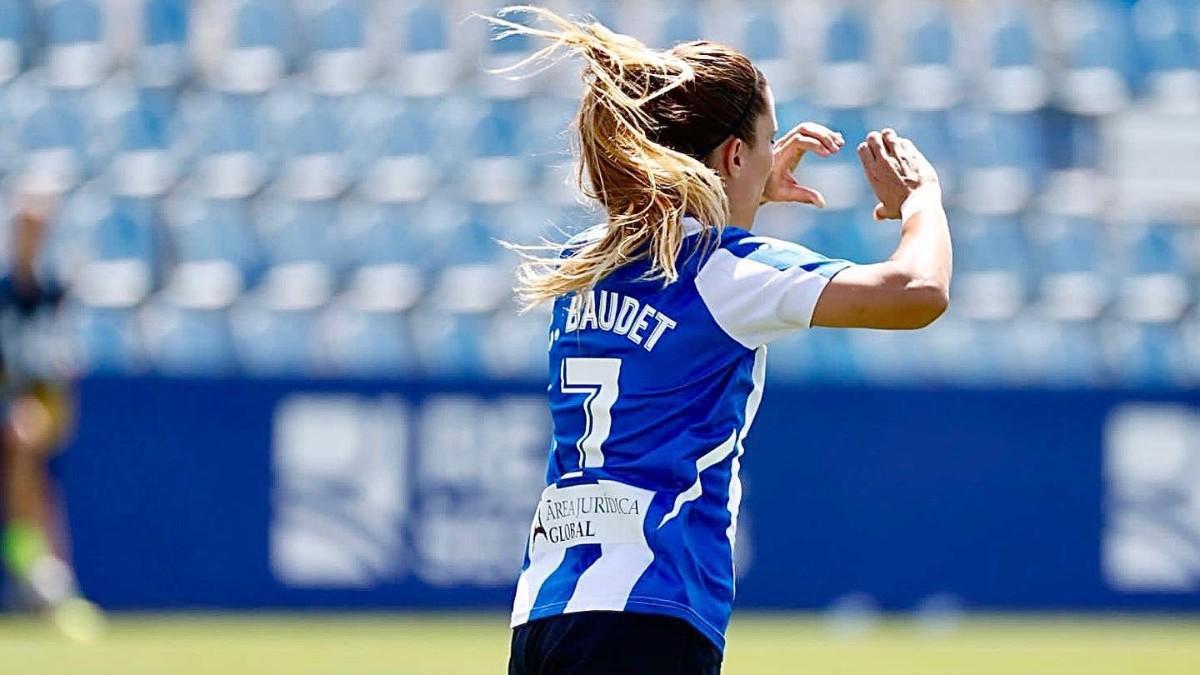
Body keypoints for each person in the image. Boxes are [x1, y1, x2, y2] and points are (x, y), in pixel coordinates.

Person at [488, 7, 951, 675]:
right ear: (735, 154)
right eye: (764, 144)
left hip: (545, 615)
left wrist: (746, 192)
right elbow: (917, 292)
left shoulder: (583, 262)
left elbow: (673, 269)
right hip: (651, 615)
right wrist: (922, 199)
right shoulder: (727, 270)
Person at [0, 193, 102, 640]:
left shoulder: (52, 295)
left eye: (39, 229)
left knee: (35, 475)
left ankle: (45, 576)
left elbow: (60, 366)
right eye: (25, 228)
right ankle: (37, 570)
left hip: (33, 411)